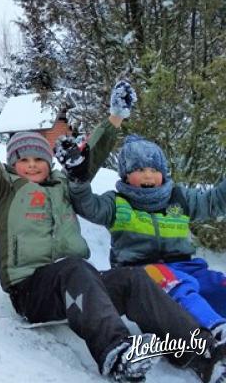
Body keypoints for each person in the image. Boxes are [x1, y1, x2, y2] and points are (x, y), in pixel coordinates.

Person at [0, 79, 225, 382]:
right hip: (31, 290)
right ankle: (116, 352)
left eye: (39, 159)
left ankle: (203, 355)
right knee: (75, 267)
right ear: (12, 164)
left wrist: (115, 118)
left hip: (80, 283)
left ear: (49, 162)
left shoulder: (63, 186)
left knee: (135, 279)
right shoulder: (4, 190)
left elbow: (88, 159)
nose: (31, 166)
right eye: (23, 160)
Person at [63, 129, 226, 355]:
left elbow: (213, 202)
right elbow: (87, 206)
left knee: (218, 285)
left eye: (154, 170)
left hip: (188, 267)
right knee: (179, 287)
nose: (148, 176)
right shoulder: (117, 203)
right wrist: (79, 180)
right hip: (143, 272)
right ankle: (216, 331)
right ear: (125, 175)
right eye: (140, 170)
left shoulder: (179, 198)